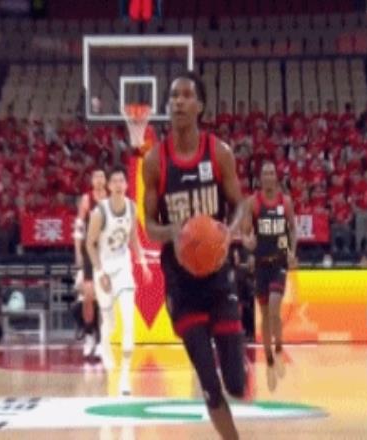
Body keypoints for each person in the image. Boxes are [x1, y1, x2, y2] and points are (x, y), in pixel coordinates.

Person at [143, 71, 245, 440]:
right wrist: (174, 233)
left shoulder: (219, 153)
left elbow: (240, 206)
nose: (178, 102)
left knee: (235, 384)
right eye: (174, 96)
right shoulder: (155, 160)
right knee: (209, 382)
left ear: (200, 106)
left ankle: (238, 361)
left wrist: (228, 233)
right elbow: (149, 225)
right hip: (181, 282)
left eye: (186, 96)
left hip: (217, 278)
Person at [86, 166, 151, 389]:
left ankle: (125, 376)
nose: (118, 185)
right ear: (109, 185)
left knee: (128, 320)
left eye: (121, 181)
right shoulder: (100, 212)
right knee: (110, 323)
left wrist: (143, 262)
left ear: (126, 184)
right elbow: (90, 244)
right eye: (114, 181)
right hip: (104, 269)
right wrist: (100, 272)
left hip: (123, 267)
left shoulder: (132, 207)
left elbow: (133, 239)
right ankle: (105, 345)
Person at [241, 161, 298, 392]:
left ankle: (279, 347)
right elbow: (246, 233)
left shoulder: (286, 202)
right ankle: (269, 359)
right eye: (264, 173)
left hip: (279, 263)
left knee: (274, 306)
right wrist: (248, 244)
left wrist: (293, 251)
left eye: (271, 172)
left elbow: (293, 229)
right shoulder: (253, 203)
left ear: (276, 177)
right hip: (261, 265)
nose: (268, 176)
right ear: (260, 178)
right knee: (265, 315)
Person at [73, 168, 107, 357]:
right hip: (89, 251)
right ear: (92, 181)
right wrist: (78, 251)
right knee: (88, 296)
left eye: (102, 176)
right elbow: (79, 227)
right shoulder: (86, 200)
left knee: (103, 299)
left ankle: (101, 339)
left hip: (106, 253)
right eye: (96, 177)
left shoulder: (111, 199)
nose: (99, 179)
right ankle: (89, 335)